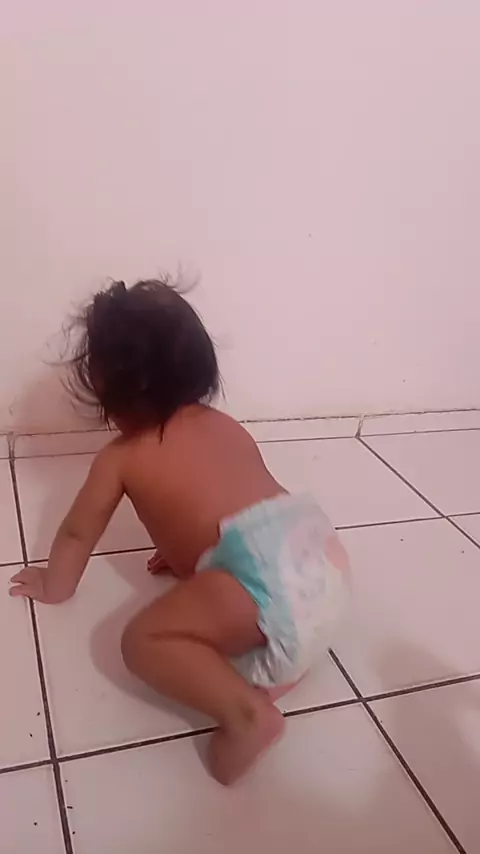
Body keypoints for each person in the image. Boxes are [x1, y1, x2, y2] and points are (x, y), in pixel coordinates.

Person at [9, 278, 349, 784]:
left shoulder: (121, 458)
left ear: (104, 390)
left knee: (143, 640)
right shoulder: (225, 425)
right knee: (242, 596)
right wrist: (199, 553)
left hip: (268, 594)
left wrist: (53, 584)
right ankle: (281, 667)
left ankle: (246, 715)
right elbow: (243, 512)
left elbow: (78, 534)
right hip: (323, 562)